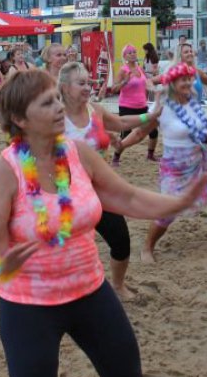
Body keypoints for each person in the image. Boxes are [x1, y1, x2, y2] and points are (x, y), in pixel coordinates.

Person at [0, 69, 204, 377]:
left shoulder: (77, 153)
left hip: (89, 290)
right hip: (29, 303)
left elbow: (125, 196)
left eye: (57, 98)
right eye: (47, 102)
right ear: (19, 119)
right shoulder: (6, 169)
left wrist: (179, 200)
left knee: (127, 375)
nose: (60, 107)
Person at [59, 61, 162, 299]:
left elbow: (123, 123)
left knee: (121, 241)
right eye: (81, 83)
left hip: (101, 191)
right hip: (67, 194)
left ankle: (117, 285)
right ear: (64, 87)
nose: (87, 87)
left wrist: (151, 115)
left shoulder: (94, 110)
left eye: (88, 82)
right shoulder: (54, 115)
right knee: (67, 247)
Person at [143, 63, 207, 264]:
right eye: (183, 79)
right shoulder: (163, 107)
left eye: (190, 79)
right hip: (176, 168)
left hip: (200, 163)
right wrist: (122, 144)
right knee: (167, 212)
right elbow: (141, 130)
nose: (188, 82)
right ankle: (147, 248)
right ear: (172, 83)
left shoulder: (193, 101)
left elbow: (201, 130)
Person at [110, 44, 158, 166]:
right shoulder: (123, 70)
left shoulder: (139, 68)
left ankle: (150, 155)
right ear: (125, 56)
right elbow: (114, 89)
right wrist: (124, 82)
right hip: (127, 107)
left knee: (153, 131)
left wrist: (152, 91)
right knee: (126, 134)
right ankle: (116, 157)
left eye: (134, 51)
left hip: (142, 106)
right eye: (129, 52)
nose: (132, 54)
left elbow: (147, 83)